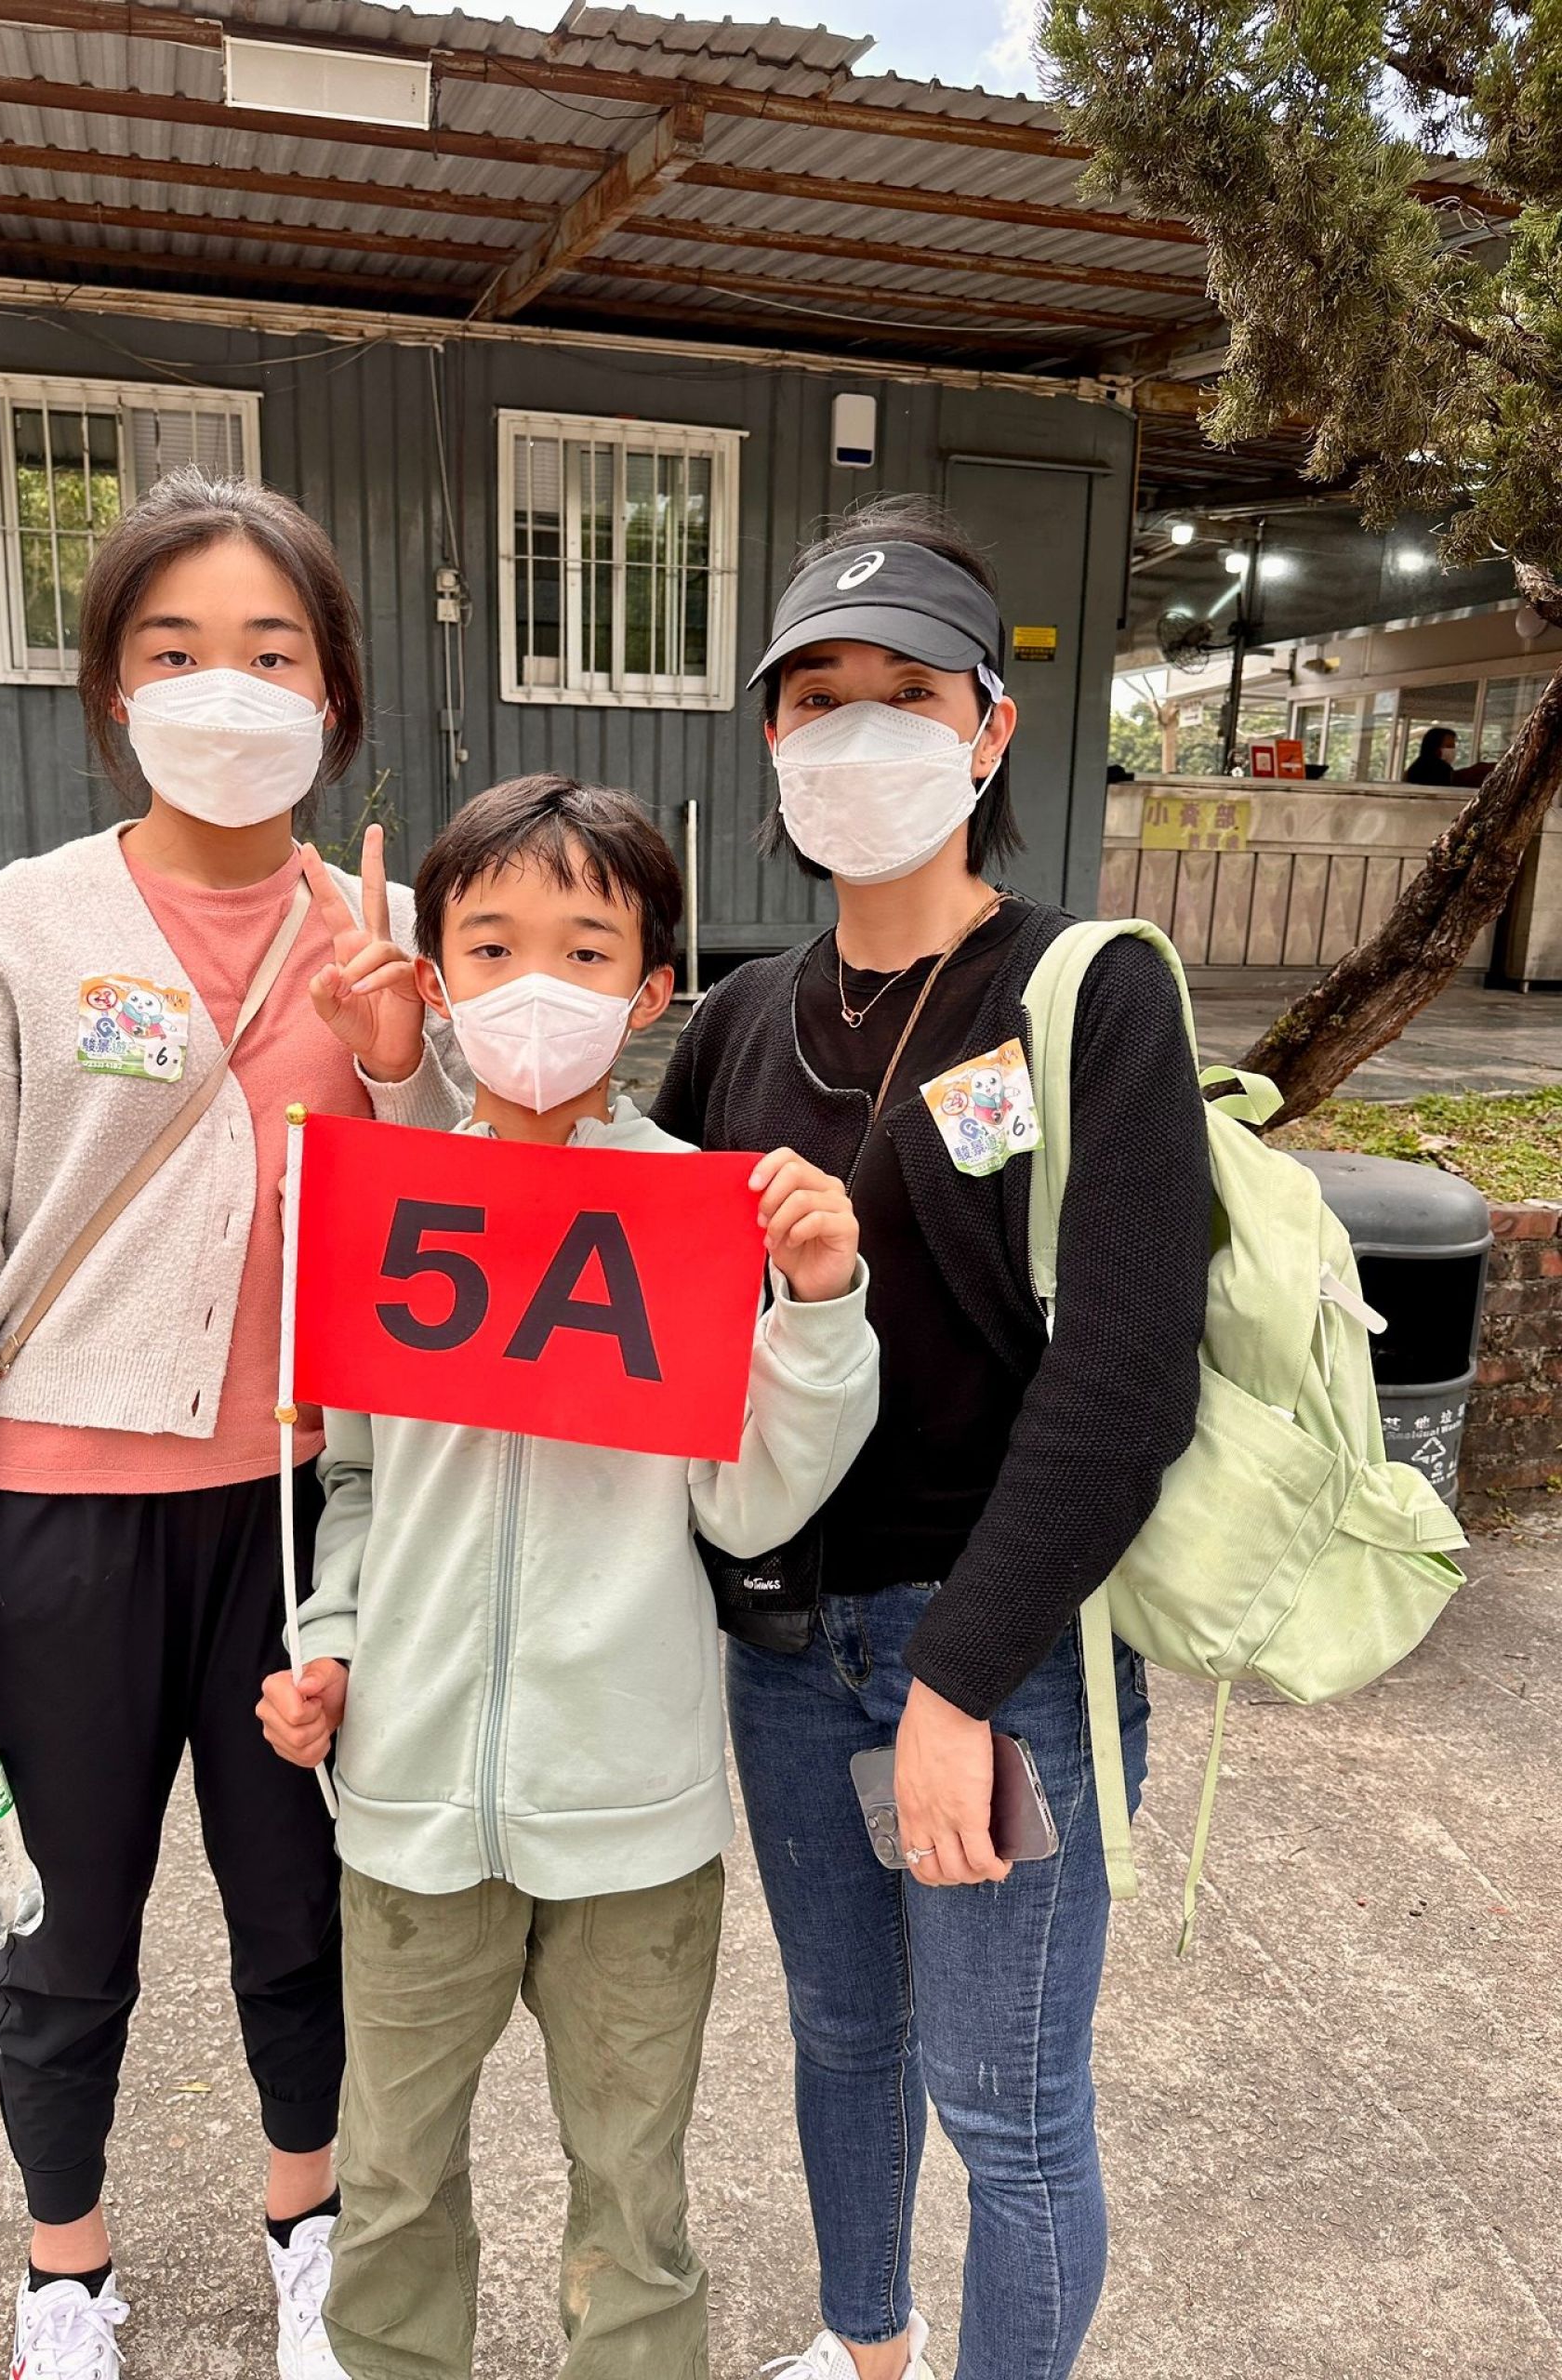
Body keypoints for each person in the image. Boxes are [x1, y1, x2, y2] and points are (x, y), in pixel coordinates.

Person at [346, 498, 1211, 2380]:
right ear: (770, 737)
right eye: (819, 696)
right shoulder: (739, 1017)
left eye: (910, 690)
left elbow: (1126, 1382)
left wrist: (960, 1681)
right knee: (842, 2042)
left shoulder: (1086, 990)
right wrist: (403, 1081)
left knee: (1007, 2101)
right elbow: (557, 1250)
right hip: (786, 1645)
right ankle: (864, 2341)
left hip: (1003, 1652)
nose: (860, 730)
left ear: (990, 727)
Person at [0, 469, 464, 2380]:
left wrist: (403, 1065)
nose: (225, 688)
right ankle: (65, 2266)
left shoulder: (390, 932)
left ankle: (309, 2225)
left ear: (333, 691)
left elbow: (465, 1240)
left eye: (271, 653)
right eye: (175, 648)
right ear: (114, 686)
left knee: (303, 1910)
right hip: (59, 1532)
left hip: (302, 1516)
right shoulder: (11, 933)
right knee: (59, 1925)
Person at [257, 774, 880, 2380]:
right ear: (436, 979)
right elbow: (352, 1483)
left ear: (652, 989)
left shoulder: (696, 1215)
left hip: (635, 1821)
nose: (537, 983)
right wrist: (333, 1643)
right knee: (393, 2182)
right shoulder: (389, 1209)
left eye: (587, 950)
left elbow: (749, 1506)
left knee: (633, 2197)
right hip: (408, 1804)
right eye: (492, 945)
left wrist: (818, 1310)